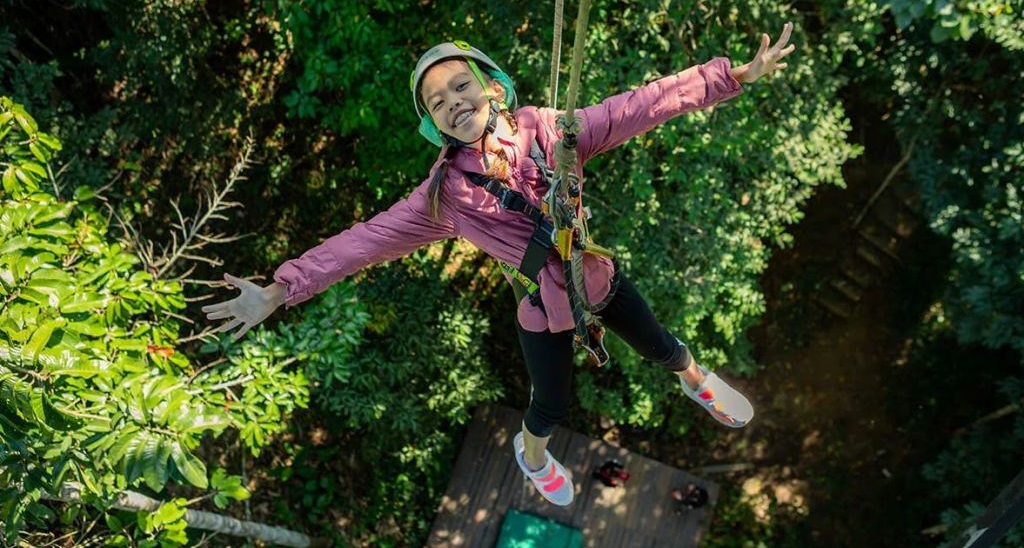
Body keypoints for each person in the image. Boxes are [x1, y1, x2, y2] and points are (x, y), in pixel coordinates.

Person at [201, 25, 795, 507]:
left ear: (493, 90)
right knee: (550, 406)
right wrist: (279, 291)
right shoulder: (444, 196)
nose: (453, 103)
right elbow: (363, 242)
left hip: (593, 277)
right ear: (433, 124)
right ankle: (532, 458)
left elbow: (639, 106)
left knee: (663, 346)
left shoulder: (553, 133)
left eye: (461, 87)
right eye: (438, 104)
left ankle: (698, 384)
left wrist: (730, 77)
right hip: (544, 306)